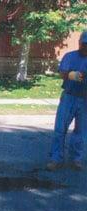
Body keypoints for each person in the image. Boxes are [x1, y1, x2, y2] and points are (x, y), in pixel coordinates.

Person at [46, 31, 87, 171]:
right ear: (79, 43)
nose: (85, 47)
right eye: (84, 44)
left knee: (81, 132)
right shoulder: (70, 56)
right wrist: (71, 74)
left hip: (85, 100)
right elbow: (62, 73)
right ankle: (55, 159)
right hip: (69, 97)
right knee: (60, 129)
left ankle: (76, 159)